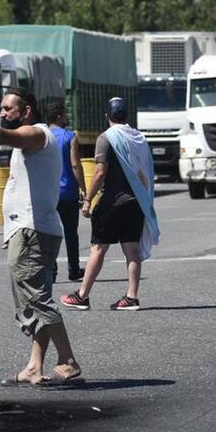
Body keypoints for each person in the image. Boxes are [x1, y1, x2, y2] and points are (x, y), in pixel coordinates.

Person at [0, 87, 82, 386]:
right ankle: (35, 366)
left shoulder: (36, 135)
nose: (3, 114)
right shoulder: (32, 138)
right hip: (31, 229)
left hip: (32, 231)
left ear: (27, 111)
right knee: (34, 300)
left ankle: (68, 360)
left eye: (9, 109)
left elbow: (2, 136)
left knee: (38, 299)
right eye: (1, 107)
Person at [61, 97, 160, 311]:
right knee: (131, 250)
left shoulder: (106, 138)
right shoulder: (139, 138)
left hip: (113, 203)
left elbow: (100, 171)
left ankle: (82, 295)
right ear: (126, 116)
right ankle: (131, 297)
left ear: (107, 116)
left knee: (98, 248)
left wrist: (88, 199)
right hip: (136, 202)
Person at [46, 100, 87, 282]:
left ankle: (51, 271)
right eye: (64, 115)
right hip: (68, 192)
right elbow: (75, 164)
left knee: (49, 233)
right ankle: (74, 269)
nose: (66, 118)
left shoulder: (42, 136)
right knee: (71, 232)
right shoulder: (70, 136)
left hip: (48, 192)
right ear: (59, 116)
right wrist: (84, 189)